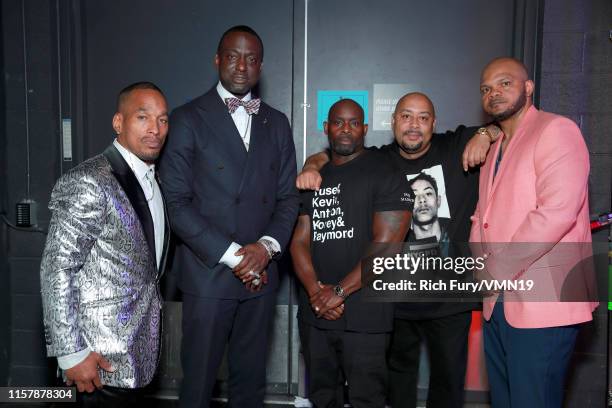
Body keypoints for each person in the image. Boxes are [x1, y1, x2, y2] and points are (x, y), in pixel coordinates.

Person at [296, 92, 499, 408]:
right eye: (406, 116)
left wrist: (485, 134)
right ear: (392, 123)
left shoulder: (456, 144)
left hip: (448, 299)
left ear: (434, 123)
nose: (414, 125)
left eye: (422, 117)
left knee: (448, 388)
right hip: (397, 298)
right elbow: (338, 152)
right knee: (396, 387)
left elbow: (505, 124)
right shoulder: (380, 159)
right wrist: (313, 162)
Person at [158, 25, 299, 407]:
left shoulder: (278, 122)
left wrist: (265, 248)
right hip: (209, 273)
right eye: (233, 56)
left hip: (261, 275)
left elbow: (288, 199)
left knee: (251, 384)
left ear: (261, 66)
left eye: (251, 58)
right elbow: (176, 203)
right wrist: (235, 254)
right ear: (217, 60)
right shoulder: (187, 118)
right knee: (198, 384)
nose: (241, 66)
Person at [469, 57, 598, 408]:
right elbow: (483, 216)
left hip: (545, 303)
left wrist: (494, 270)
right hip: (498, 304)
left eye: (504, 83)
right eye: (486, 88)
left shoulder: (557, 130)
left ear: (528, 87)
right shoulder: (494, 147)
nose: (494, 92)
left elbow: (556, 213)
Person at [40, 82, 170, 407]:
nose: (155, 129)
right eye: (143, 117)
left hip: (138, 355)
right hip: (96, 362)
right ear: (118, 122)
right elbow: (58, 267)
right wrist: (71, 353)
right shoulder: (90, 181)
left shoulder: (154, 178)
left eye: (163, 120)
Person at [290, 99, 412, 407]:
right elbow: (299, 240)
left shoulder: (387, 172)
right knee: (321, 397)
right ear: (326, 128)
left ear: (365, 129)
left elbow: (388, 246)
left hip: (366, 316)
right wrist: (316, 291)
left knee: (366, 399)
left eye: (354, 123)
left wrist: (339, 292)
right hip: (316, 313)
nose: (346, 129)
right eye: (339, 123)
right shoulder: (312, 178)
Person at [407, 172, 448, 242]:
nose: (422, 199)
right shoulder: (399, 246)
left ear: (438, 200)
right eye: (414, 195)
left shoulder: (456, 237)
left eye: (428, 193)